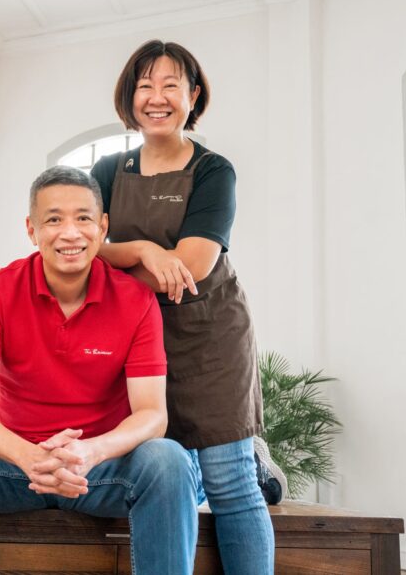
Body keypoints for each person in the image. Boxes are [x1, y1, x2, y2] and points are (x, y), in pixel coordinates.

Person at [0, 166, 200, 575]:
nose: (70, 233)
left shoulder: (135, 300)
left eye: (83, 218)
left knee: (169, 460)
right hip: (13, 468)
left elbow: (152, 415)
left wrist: (89, 452)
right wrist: (30, 458)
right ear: (31, 229)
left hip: (97, 472)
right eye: (54, 219)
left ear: (103, 227)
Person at [91, 40, 276, 573]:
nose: (157, 97)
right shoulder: (108, 170)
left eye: (171, 85)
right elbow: (86, 247)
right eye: (145, 86)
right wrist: (147, 250)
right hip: (135, 343)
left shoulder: (214, 171)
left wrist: (118, 264)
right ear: (129, 97)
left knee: (228, 481)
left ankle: (252, 462)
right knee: (160, 476)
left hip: (209, 340)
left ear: (193, 97)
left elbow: (193, 266)